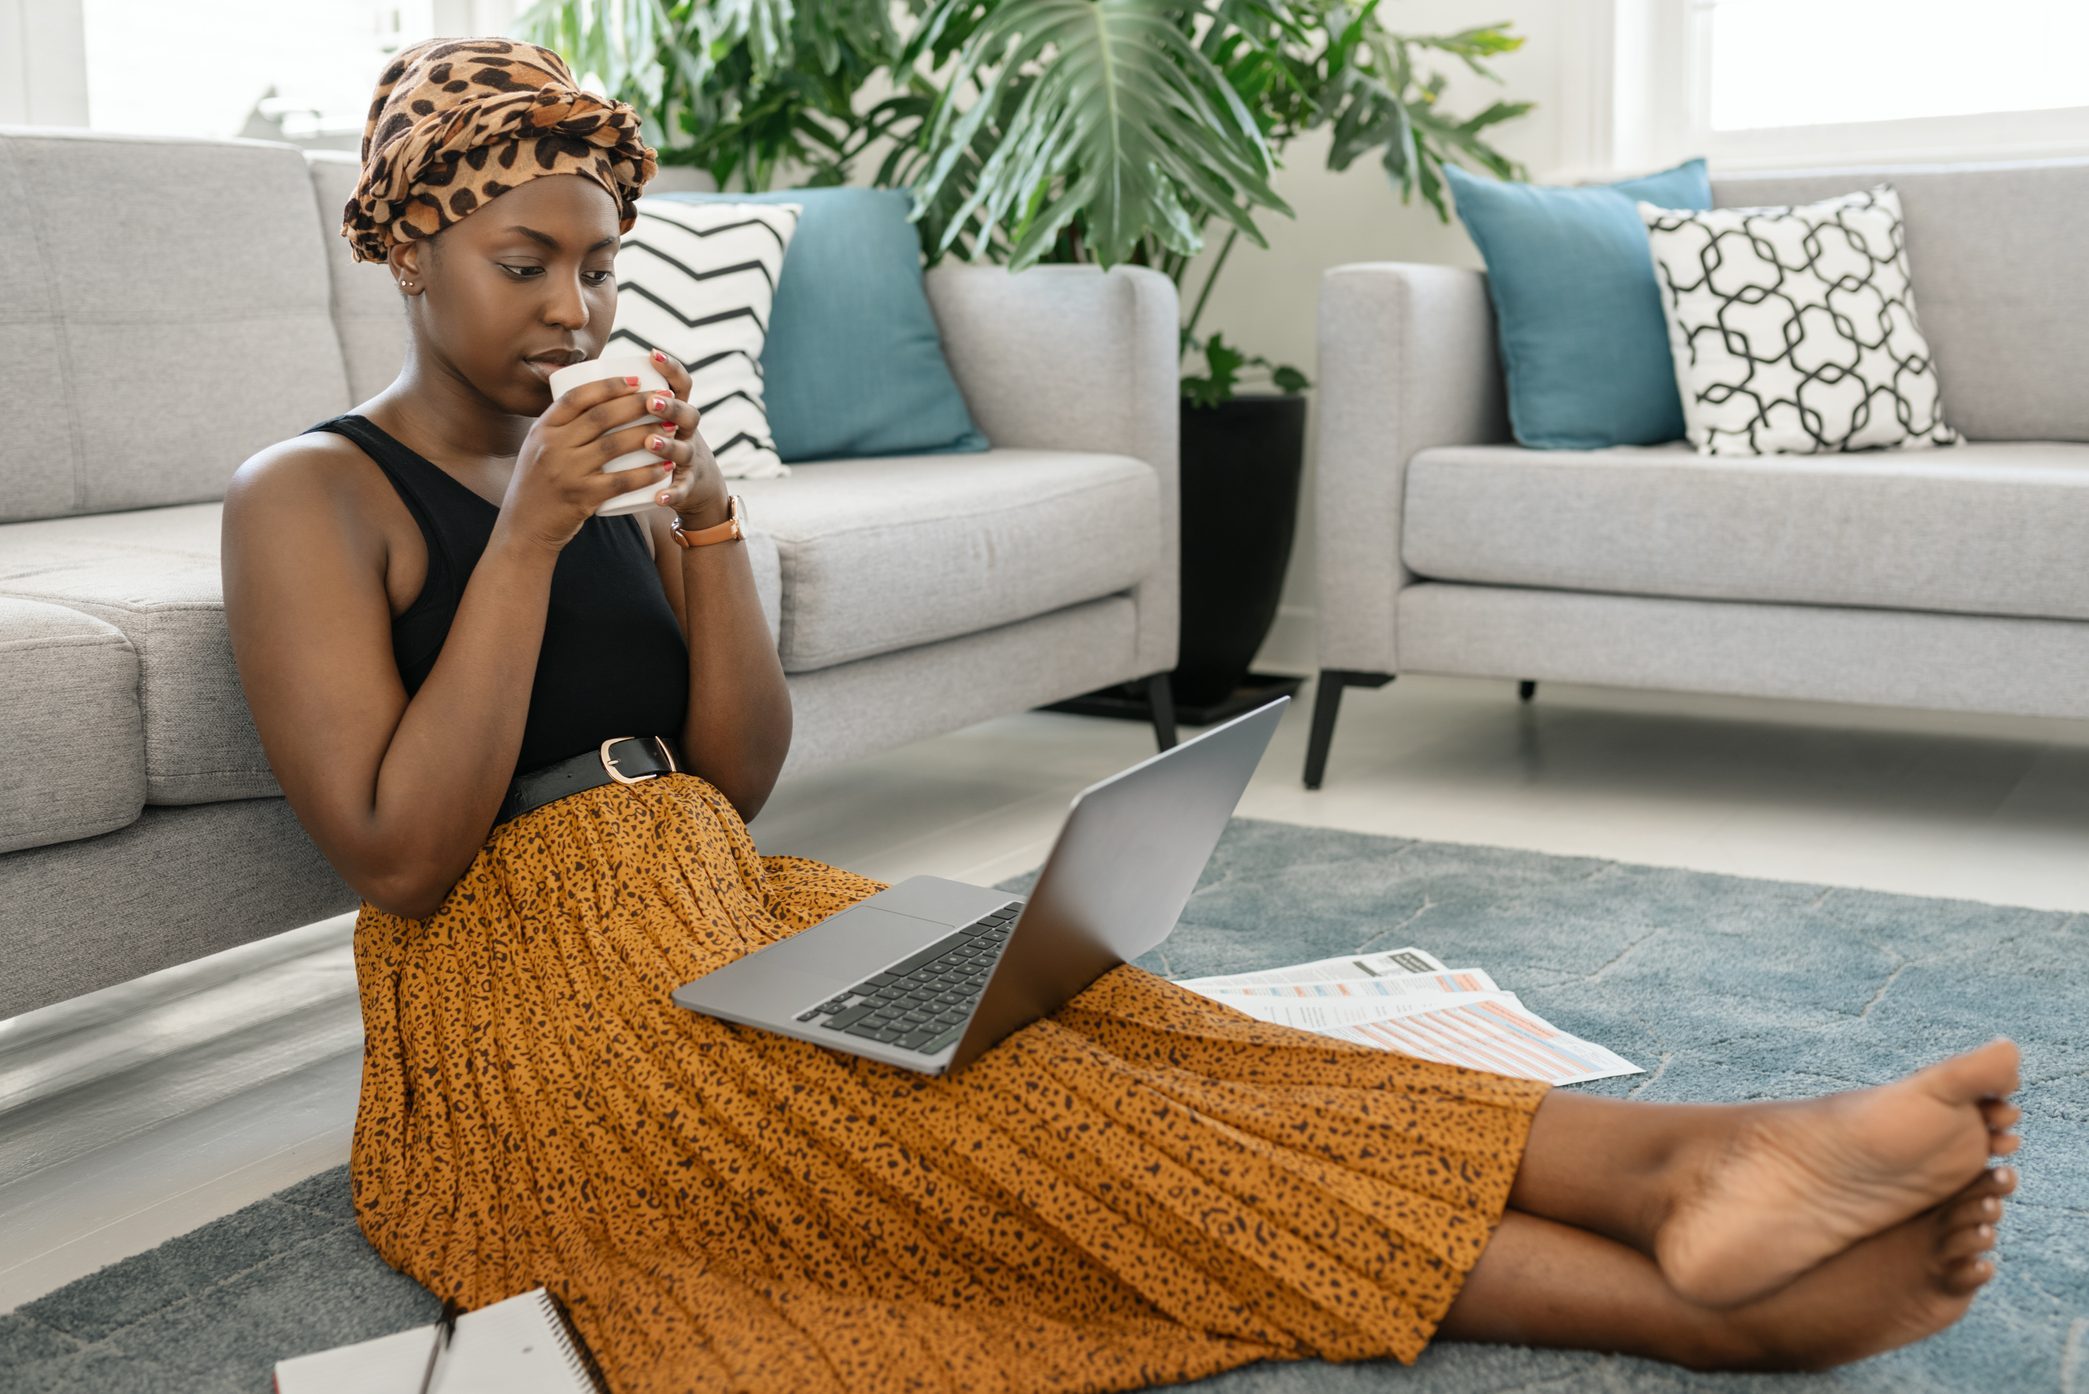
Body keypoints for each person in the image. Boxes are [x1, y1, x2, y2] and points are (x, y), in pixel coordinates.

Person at [220, 37, 2024, 1393]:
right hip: (526, 1014)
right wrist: (530, 533)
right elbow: (397, 856)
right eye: (522, 261)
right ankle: (1678, 1297)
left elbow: (734, 777)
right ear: (407, 246)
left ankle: (1698, 1154)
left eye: (599, 263)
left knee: (1121, 1030)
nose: (573, 305)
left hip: (715, 900)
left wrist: (703, 524)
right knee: (1000, 1140)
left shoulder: (597, 465)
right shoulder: (313, 493)